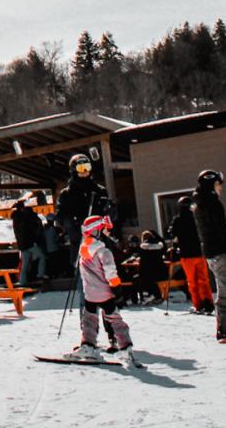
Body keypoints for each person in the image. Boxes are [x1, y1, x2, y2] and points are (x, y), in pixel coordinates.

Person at [72, 214, 135, 365]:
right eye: (104, 230)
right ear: (97, 231)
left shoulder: (83, 251)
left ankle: (88, 345)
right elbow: (110, 271)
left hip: (90, 293)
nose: (107, 233)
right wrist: (116, 287)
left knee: (89, 319)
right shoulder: (103, 251)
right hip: (105, 292)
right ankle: (125, 346)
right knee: (115, 319)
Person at [191, 169, 226, 341]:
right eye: (219, 184)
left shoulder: (202, 202)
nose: (221, 188)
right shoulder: (210, 203)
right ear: (212, 184)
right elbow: (219, 229)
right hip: (219, 250)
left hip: (213, 250)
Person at [56, 154, 109, 264]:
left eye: (87, 167)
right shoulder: (67, 194)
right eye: (81, 168)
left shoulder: (99, 190)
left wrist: (110, 214)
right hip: (79, 239)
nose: (85, 171)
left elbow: (107, 210)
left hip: (99, 237)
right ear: (74, 171)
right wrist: (73, 223)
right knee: (84, 270)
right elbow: (61, 216)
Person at [167, 195, 213, 314]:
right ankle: (207, 302)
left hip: (187, 255)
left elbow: (172, 234)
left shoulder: (177, 220)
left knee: (192, 281)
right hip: (199, 253)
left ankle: (197, 304)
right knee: (203, 279)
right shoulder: (197, 218)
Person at [11, 200, 46, 289]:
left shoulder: (16, 218)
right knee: (42, 256)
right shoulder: (24, 218)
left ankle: (22, 282)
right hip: (29, 243)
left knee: (25, 264)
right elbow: (29, 231)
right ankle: (40, 274)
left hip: (22, 244)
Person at [134, 230, 167, 304]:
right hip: (161, 271)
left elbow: (142, 260)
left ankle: (147, 295)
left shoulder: (143, 247)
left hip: (147, 273)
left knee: (137, 278)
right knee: (150, 280)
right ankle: (156, 296)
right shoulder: (159, 246)